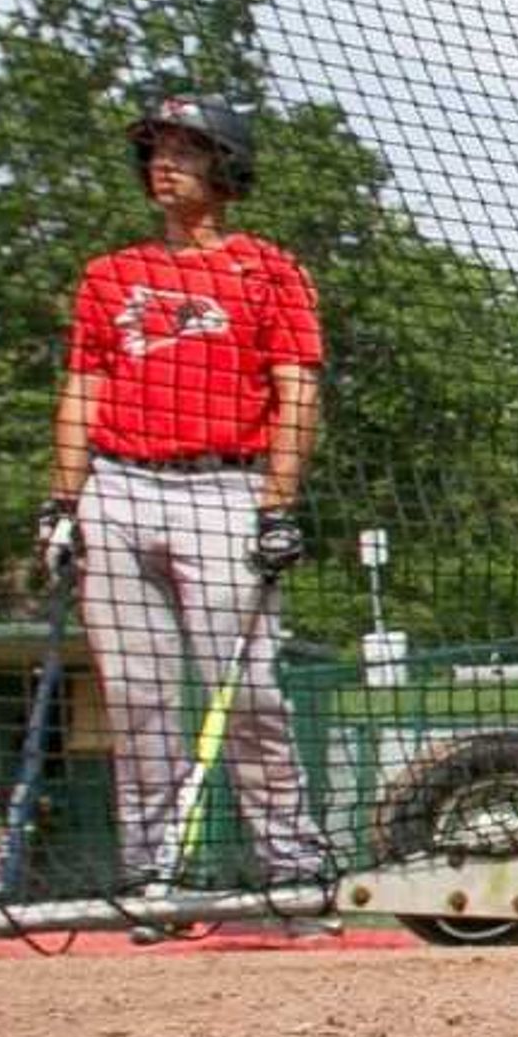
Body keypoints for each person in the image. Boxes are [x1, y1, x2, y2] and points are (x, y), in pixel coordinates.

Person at [38, 94, 335, 929]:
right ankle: (150, 880)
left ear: (226, 167)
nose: (165, 163)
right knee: (136, 701)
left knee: (247, 696)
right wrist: (63, 502)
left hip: (224, 488)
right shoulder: (110, 275)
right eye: (156, 149)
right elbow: (83, 387)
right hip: (119, 488)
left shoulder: (267, 270)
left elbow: (296, 389)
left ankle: (295, 870)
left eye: (187, 149)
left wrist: (277, 505)